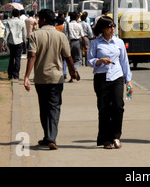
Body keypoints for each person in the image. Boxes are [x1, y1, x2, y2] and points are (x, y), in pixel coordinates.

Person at [23, 9, 78, 151]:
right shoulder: (60, 36)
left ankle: (48, 136)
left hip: (41, 78)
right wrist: (73, 71)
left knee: (44, 107)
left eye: (39, 19)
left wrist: (26, 76)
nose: (37, 21)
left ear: (44, 20)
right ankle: (50, 137)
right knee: (54, 107)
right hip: (56, 78)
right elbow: (68, 57)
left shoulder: (35, 35)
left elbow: (32, 56)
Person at [87, 15, 133, 149]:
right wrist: (100, 61)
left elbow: (124, 62)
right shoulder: (95, 43)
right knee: (104, 108)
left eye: (113, 26)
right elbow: (89, 60)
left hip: (117, 77)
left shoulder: (119, 42)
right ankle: (106, 139)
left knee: (118, 106)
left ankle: (116, 136)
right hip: (101, 77)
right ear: (102, 29)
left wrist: (128, 80)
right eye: (109, 27)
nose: (112, 29)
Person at [4, 9, 26, 80]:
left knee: (11, 58)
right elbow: (24, 34)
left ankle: (10, 74)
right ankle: (16, 74)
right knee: (17, 58)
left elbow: (6, 33)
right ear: (19, 14)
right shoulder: (22, 22)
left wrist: (4, 42)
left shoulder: (9, 22)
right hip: (19, 41)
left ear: (12, 14)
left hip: (11, 42)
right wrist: (24, 41)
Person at [66, 12, 86, 81]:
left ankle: (72, 76)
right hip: (77, 42)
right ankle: (76, 70)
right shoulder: (79, 25)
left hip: (69, 43)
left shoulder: (67, 25)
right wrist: (85, 45)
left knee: (69, 59)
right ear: (76, 18)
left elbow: (64, 35)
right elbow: (82, 36)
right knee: (77, 59)